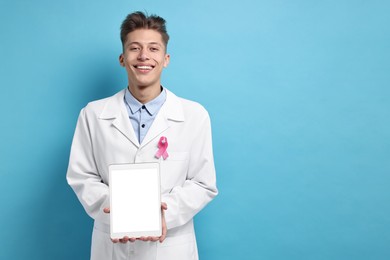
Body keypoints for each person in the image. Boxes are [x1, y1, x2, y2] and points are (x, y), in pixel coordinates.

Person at [66, 11, 218, 260]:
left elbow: (203, 184)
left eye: (153, 49)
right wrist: (120, 211)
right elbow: (81, 176)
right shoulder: (93, 114)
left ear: (166, 58)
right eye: (134, 48)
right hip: (111, 247)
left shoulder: (194, 115)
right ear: (122, 59)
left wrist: (160, 214)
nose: (144, 56)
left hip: (171, 248)